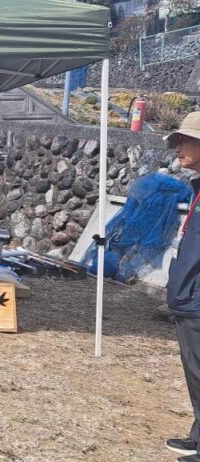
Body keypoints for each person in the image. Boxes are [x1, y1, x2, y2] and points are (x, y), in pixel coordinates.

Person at [167, 112, 200, 462]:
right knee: (195, 372)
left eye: (186, 140)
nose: (178, 147)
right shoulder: (197, 189)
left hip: (197, 299)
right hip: (188, 299)